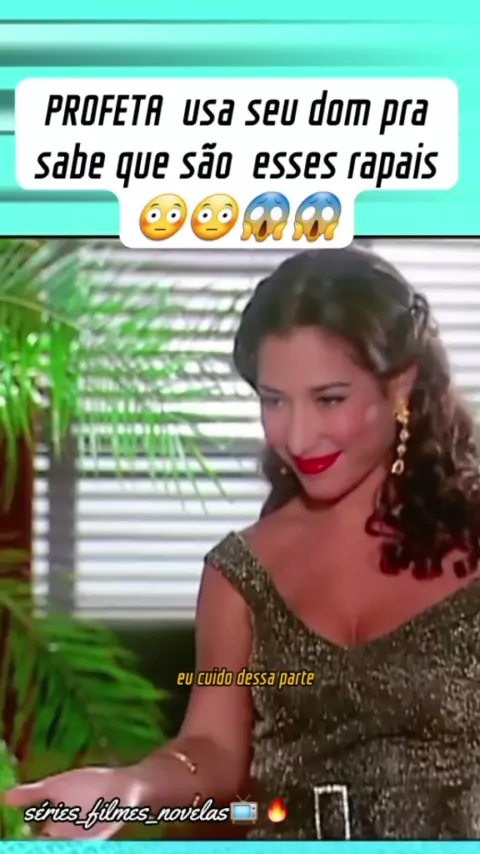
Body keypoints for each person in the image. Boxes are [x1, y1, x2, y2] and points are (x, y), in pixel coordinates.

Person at [5, 244, 480, 840]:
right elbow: (211, 750)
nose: (297, 436)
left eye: (329, 399)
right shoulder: (240, 570)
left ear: (401, 385)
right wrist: (133, 788)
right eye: (274, 400)